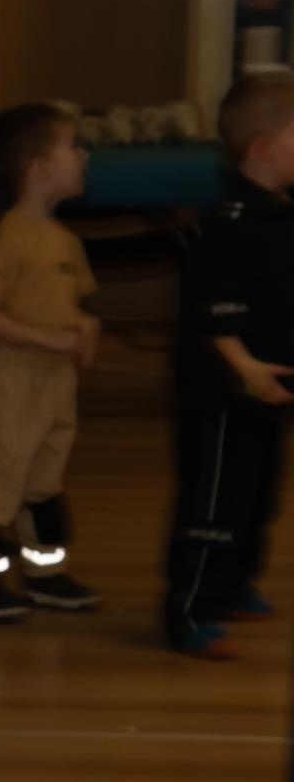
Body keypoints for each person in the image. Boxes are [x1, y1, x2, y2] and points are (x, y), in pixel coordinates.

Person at [164, 71, 294, 659]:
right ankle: (189, 610)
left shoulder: (279, 211)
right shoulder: (225, 223)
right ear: (262, 148)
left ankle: (233, 584)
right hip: (222, 392)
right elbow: (214, 314)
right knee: (215, 500)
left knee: (257, 496)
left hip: (268, 387)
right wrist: (246, 367)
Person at [0, 103, 101, 623]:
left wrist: (83, 328)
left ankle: (45, 573)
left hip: (56, 382)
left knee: (45, 482)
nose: (84, 156)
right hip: (13, 381)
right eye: (74, 146)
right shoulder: (11, 238)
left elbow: (68, 304)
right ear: (39, 169)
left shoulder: (66, 241)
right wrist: (49, 340)